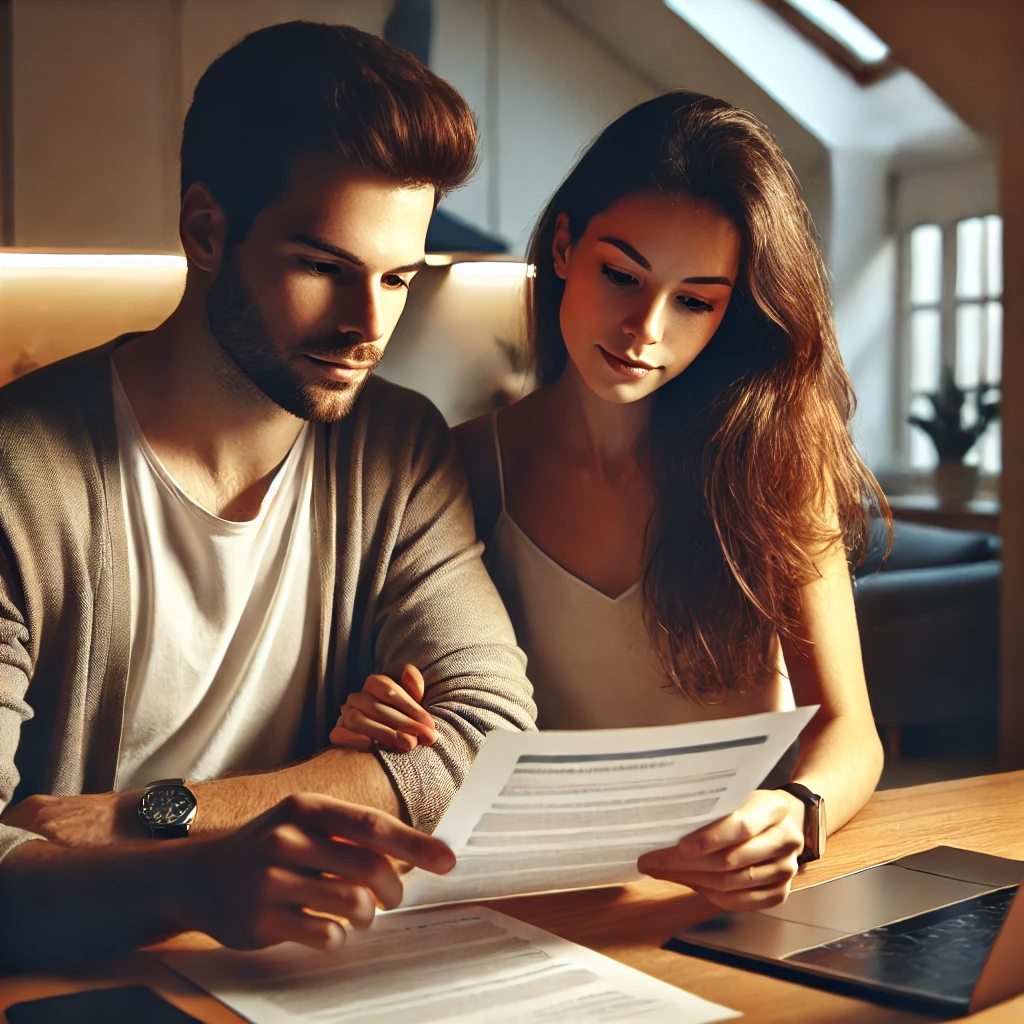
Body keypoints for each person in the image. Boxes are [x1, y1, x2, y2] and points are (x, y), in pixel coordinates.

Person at [0, 21, 536, 971]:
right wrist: (196, 881)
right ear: (207, 231)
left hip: (303, 972)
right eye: (323, 268)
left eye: (399, 278)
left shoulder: (396, 448)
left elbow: (486, 736)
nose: (368, 325)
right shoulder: (21, 475)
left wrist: (161, 817)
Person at [331, 92, 888, 913]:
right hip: (552, 889)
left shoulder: (771, 465)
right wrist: (386, 712)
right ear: (564, 247)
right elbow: (449, 714)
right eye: (621, 276)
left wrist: (795, 811)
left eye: (695, 299)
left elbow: (851, 733)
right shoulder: (469, 463)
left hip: (736, 892)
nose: (645, 329)